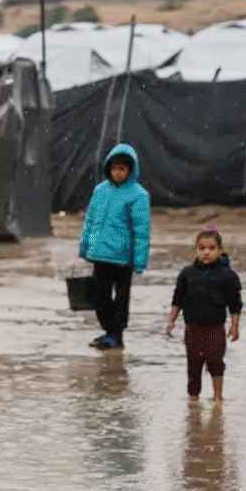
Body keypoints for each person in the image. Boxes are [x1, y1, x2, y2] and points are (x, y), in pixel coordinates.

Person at [78, 143, 151, 350]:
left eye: (122, 169)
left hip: (122, 258)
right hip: (100, 254)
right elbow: (90, 221)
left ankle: (116, 335)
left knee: (120, 299)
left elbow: (142, 231)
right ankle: (110, 331)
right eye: (114, 168)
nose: (117, 173)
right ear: (108, 168)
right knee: (99, 296)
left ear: (130, 170)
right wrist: (85, 247)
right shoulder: (100, 191)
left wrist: (139, 260)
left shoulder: (138, 195)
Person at [166, 228, 242, 402]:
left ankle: (217, 397)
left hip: (215, 329)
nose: (206, 252)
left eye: (211, 248)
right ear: (196, 249)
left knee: (216, 363)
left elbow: (235, 304)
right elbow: (178, 299)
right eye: (201, 248)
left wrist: (235, 326)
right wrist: (171, 320)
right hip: (192, 328)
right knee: (193, 365)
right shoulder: (187, 273)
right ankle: (193, 400)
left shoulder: (228, 276)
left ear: (220, 250)